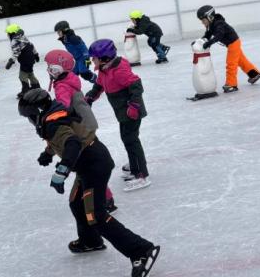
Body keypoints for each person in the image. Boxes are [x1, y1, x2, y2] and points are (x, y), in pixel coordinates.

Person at [18, 89, 160, 276]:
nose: (30, 120)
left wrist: (62, 171)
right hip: (87, 162)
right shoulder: (54, 114)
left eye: (30, 116)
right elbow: (63, 135)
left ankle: (140, 250)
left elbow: (72, 143)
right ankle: (91, 241)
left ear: (37, 111)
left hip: (94, 165)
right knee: (76, 203)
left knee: (97, 216)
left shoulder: (53, 122)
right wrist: (48, 153)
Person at [45, 49, 116, 212]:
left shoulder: (62, 85)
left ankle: (105, 198)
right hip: (87, 123)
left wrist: (51, 114)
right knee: (90, 163)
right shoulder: (69, 79)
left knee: (87, 165)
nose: (48, 70)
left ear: (57, 68)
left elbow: (63, 106)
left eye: (50, 66)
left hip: (82, 127)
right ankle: (105, 196)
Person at [84, 39, 151, 192]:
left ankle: (141, 173)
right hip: (122, 112)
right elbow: (100, 85)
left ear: (104, 57)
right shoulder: (104, 69)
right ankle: (134, 164)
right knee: (127, 138)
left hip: (131, 111)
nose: (92, 60)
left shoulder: (119, 70)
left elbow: (136, 85)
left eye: (94, 57)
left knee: (131, 140)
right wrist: (90, 96)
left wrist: (134, 106)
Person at [195, 5, 260, 93]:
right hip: (232, 43)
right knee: (241, 61)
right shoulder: (211, 25)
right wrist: (200, 41)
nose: (202, 22)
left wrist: (208, 44)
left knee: (231, 63)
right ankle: (255, 74)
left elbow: (219, 35)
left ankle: (231, 84)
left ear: (210, 17)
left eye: (203, 20)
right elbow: (207, 35)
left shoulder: (219, 24)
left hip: (233, 43)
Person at [5, 24, 41, 98]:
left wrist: (11, 61)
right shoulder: (23, 37)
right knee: (30, 74)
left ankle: (26, 91)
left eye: (8, 34)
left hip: (25, 60)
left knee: (22, 76)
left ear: (12, 33)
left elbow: (16, 52)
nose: (8, 35)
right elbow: (31, 45)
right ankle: (36, 87)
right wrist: (36, 54)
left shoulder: (14, 41)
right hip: (31, 58)